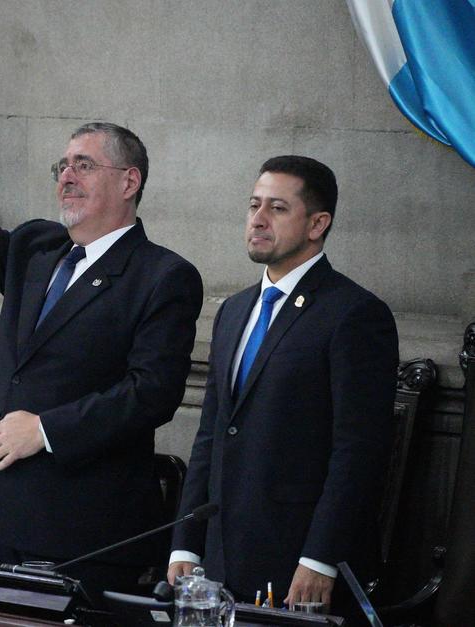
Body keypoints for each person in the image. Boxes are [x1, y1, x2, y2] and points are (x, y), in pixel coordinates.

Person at [0, 39, 204, 594]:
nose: (66, 175)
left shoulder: (162, 276)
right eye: (62, 165)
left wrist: (46, 429)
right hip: (3, 513)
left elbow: (153, 392)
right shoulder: (35, 249)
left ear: (129, 181)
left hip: (86, 524)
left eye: (84, 165)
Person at [168, 156, 399, 614]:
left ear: (317, 223)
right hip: (221, 558)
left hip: (299, 561)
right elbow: (212, 434)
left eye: (277, 208)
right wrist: (186, 543)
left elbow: (360, 449)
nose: (257, 219)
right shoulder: (234, 310)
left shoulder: (353, 314)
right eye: (254, 205)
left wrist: (320, 557)